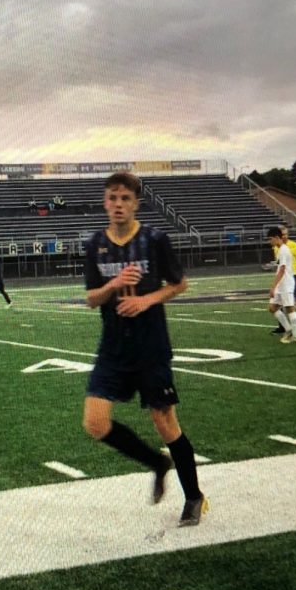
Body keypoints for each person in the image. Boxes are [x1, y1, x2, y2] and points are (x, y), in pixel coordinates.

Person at [82, 172, 206, 526]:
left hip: (151, 345)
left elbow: (179, 284)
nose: (118, 205)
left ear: (136, 203)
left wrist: (147, 300)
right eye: (112, 198)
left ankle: (194, 497)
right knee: (94, 422)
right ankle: (156, 462)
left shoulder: (154, 239)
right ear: (105, 202)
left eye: (125, 199)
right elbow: (91, 298)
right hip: (114, 348)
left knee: (165, 422)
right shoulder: (95, 244)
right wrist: (115, 284)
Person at [266, 226, 296, 343]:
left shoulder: (284, 250)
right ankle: (289, 329)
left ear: (276, 237)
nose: (269, 241)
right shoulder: (280, 250)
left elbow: (282, 270)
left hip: (286, 284)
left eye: (270, 239)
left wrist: (273, 287)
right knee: (272, 307)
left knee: (290, 308)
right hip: (281, 284)